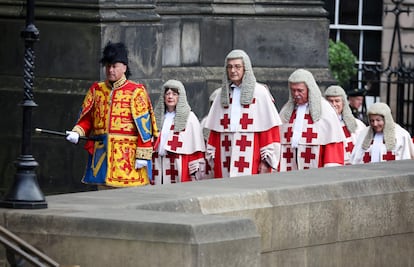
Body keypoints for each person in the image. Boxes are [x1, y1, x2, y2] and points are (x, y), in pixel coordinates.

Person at [65, 42, 158, 188]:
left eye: (114, 66)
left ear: (124, 67)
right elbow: (87, 119)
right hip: (102, 157)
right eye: (108, 66)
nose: (110, 70)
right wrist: (77, 132)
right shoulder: (96, 90)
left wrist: (143, 155)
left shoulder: (136, 91)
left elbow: (145, 128)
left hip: (129, 159)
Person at [204, 49, 282, 178]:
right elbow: (215, 130)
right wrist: (212, 152)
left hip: (251, 148)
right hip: (225, 149)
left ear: (245, 68)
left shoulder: (260, 92)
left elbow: (268, 129)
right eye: (229, 67)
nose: (233, 70)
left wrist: (266, 159)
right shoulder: (221, 94)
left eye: (237, 66)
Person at [278, 69, 346, 171]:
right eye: (293, 90)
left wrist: (331, 170)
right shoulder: (286, 111)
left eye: (300, 90)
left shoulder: (325, 110)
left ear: (309, 89)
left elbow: (333, 144)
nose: (296, 94)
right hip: (289, 163)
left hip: (315, 165)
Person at [152, 79, 206, 184]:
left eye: (174, 94)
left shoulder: (190, 118)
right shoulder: (157, 116)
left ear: (180, 97)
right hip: (158, 162)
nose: (170, 96)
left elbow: (196, 147)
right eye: (167, 93)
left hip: (179, 162)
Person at [324, 85, 366, 165]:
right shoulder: (321, 125)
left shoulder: (358, 124)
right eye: (330, 101)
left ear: (343, 103)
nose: (334, 104)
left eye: (337, 101)